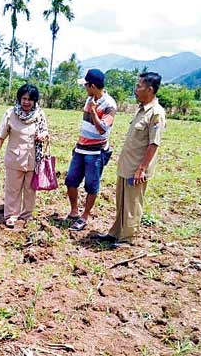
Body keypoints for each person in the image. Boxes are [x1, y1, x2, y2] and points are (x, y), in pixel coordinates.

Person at [97, 72, 166, 248]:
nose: (136, 90)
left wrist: (142, 168)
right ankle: (115, 233)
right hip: (127, 165)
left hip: (137, 168)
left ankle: (127, 238)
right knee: (121, 201)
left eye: (139, 86)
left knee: (133, 204)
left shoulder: (156, 113)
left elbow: (153, 143)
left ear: (150, 90)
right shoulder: (141, 110)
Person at [64, 68, 117, 232]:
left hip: (96, 152)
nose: (85, 88)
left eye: (86, 85)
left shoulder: (110, 104)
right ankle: (74, 211)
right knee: (71, 181)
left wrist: (94, 111)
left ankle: (84, 216)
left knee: (91, 186)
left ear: (92, 85)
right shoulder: (89, 99)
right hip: (81, 149)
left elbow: (103, 129)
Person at [0, 83, 50, 228]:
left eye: (30, 99)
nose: (26, 102)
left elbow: (46, 132)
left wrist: (43, 135)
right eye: (24, 98)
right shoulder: (10, 114)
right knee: (13, 188)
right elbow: (1, 136)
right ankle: (11, 215)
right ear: (19, 99)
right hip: (14, 158)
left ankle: (26, 215)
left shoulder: (39, 115)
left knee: (30, 189)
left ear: (35, 101)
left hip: (33, 159)